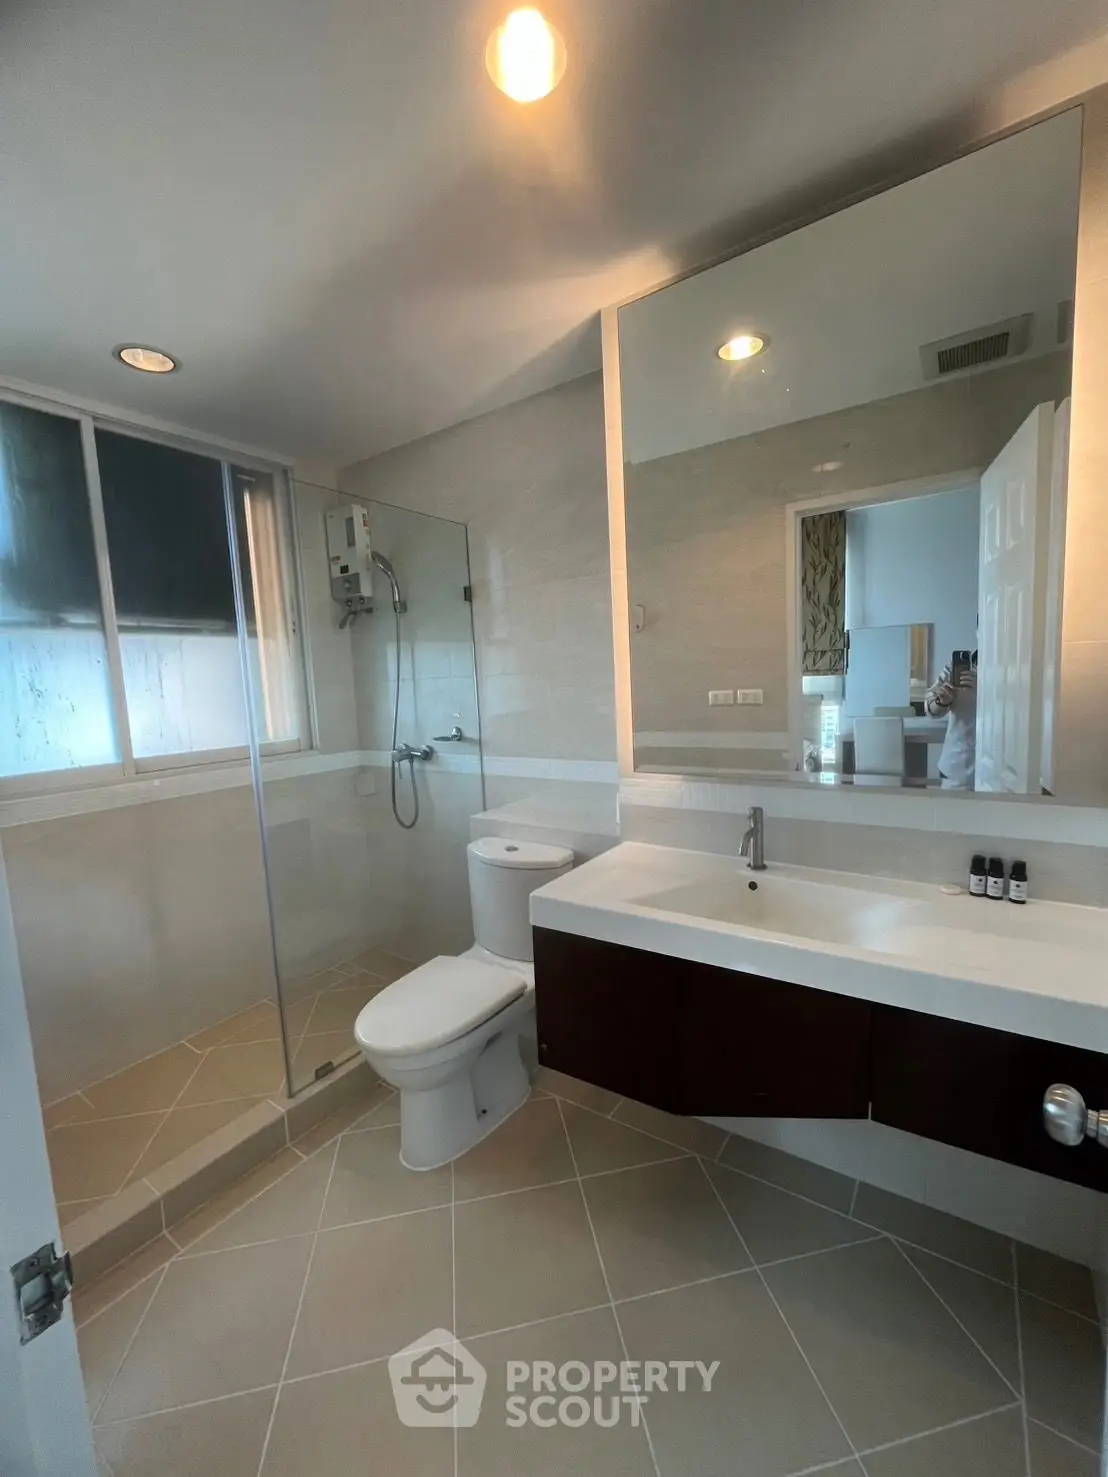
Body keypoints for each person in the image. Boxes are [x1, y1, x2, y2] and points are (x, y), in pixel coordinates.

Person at [925, 651, 977, 789]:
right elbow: (930, 707)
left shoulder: (1013, 668)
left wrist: (985, 690)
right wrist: (941, 701)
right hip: (958, 767)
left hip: (999, 772)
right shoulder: (957, 665)